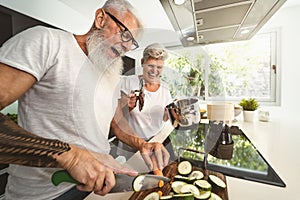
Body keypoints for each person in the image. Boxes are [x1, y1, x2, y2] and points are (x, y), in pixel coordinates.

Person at [0, 0, 169, 199]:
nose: (126, 47)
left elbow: (116, 124)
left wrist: (142, 144)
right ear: (100, 18)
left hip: (97, 186)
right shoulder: (48, 42)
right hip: (44, 194)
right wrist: (70, 157)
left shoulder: (110, 73)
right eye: (124, 34)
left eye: (131, 42)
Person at [116, 43, 173, 159]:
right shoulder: (127, 83)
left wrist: (170, 113)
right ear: (142, 62)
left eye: (159, 67)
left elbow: (165, 117)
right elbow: (117, 118)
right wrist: (127, 106)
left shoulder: (165, 88)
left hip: (157, 140)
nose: (154, 71)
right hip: (133, 143)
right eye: (151, 66)